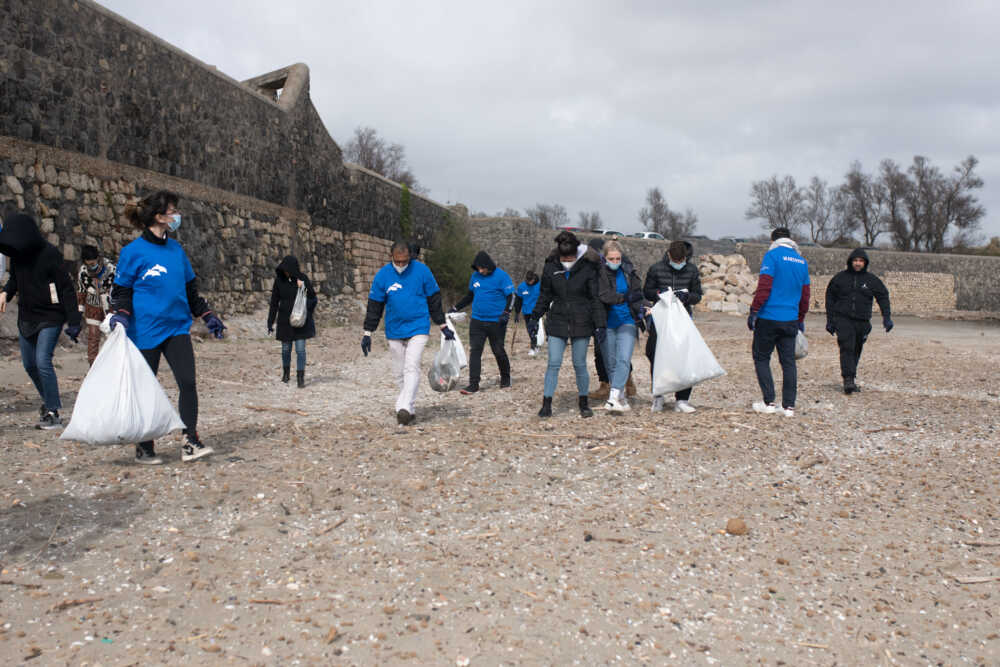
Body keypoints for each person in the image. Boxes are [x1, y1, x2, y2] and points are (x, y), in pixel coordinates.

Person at [110, 190, 226, 464]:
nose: (177, 216)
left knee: (187, 382)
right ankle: (144, 444)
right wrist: (122, 315)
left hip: (176, 328)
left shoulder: (176, 250)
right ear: (160, 217)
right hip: (145, 331)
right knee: (146, 388)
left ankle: (190, 441)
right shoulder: (132, 252)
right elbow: (121, 291)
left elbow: (190, 291)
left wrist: (208, 316)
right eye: (173, 211)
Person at [0, 213, 82, 429]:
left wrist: (74, 321)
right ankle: (49, 402)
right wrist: (5, 294)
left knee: (43, 360)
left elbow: (66, 288)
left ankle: (54, 412)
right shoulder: (17, 255)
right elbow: (14, 281)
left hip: (51, 316)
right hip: (26, 317)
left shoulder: (49, 254)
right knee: (29, 365)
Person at [363, 241, 453, 425]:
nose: (402, 265)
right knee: (399, 371)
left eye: (405, 261)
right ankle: (409, 409)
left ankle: (403, 406)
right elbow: (375, 306)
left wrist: (442, 325)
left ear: (410, 258)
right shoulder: (383, 275)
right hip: (394, 328)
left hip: (418, 326)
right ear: (391, 257)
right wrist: (368, 332)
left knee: (412, 365)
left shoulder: (422, 271)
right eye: (398, 262)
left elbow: (434, 299)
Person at [530, 230, 606, 418]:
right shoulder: (550, 267)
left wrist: (600, 324)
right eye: (565, 258)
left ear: (576, 253)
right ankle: (546, 403)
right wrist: (534, 316)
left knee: (579, 363)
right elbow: (545, 295)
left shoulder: (588, 267)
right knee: (553, 363)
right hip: (557, 320)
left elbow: (595, 298)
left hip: (582, 320)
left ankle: (584, 403)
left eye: (571, 258)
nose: (567, 261)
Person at [747, 227, 811, 416]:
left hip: (769, 316)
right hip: (790, 318)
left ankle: (769, 403)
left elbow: (765, 286)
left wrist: (754, 310)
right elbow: (805, 294)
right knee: (788, 362)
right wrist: (800, 318)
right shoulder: (801, 261)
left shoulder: (772, 256)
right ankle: (789, 407)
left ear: (773, 240)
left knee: (761, 358)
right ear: (790, 239)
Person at [643, 240, 703, 413]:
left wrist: (687, 297)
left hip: (683, 317)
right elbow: (646, 291)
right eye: (675, 261)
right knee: (654, 353)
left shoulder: (691, 270)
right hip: (661, 316)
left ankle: (682, 399)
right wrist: (658, 294)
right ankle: (659, 395)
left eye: (681, 260)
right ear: (668, 255)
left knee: (684, 357)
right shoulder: (656, 269)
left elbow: (698, 295)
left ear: (685, 257)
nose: (678, 264)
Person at [824, 248, 893, 394]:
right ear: (850, 262)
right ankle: (848, 379)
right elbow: (830, 298)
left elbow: (883, 297)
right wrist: (830, 320)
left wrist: (886, 318)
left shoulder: (872, 280)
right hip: (843, 319)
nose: (857, 263)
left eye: (861, 261)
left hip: (862, 321)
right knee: (846, 347)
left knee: (856, 349)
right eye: (855, 260)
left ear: (865, 263)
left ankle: (851, 378)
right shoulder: (839, 278)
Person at [451, 250, 515, 394]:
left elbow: (511, 296)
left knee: (498, 350)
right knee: (475, 351)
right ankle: (473, 384)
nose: (480, 270)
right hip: (477, 321)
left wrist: (506, 312)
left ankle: (506, 378)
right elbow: (469, 296)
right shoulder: (475, 277)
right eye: (478, 268)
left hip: (496, 322)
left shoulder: (502, 276)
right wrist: (455, 308)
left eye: (482, 268)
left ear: (489, 265)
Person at [597, 240, 645, 413]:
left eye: (618, 258)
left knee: (624, 358)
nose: (615, 262)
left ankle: (612, 397)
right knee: (610, 362)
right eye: (612, 258)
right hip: (606, 322)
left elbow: (638, 294)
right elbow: (603, 295)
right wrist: (624, 298)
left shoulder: (628, 272)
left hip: (627, 321)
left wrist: (644, 307)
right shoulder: (599, 273)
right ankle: (620, 396)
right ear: (605, 257)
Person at [267, 255, 318, 388]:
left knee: (300, 350)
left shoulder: (303, 279)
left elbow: (313, 297)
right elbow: (274, 303)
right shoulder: (279, 281)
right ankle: (286, 373)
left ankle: (300, 377)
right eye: (284, 269)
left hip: (300, 321)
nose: (286, 272)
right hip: (284, 321)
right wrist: (270, 322)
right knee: (285, 349)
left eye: (288, 269)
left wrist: (304, 287)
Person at [76, 244, 116, 366]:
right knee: (93, 338)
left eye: (93, 264)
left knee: (112, 338)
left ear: (98, 259)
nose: (91, 267)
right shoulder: (83, 272)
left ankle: (114, 365)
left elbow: (116, 289)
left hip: (109, 308)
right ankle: (93, 367)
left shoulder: (111, 269)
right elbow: (81, 290)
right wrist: (80, 310)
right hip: (92, 308)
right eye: (89, 264)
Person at [513, 270, 541, 356]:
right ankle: (536, 346)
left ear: (534, 278)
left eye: (531, 280)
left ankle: (533, 348)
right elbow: (518, 300)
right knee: (530, 330)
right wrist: (517, 313)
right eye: (528, 280)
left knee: (533, 329)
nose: (529, 282)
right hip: (526, 311)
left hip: (536, 311)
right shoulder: (522, 287)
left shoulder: (540, 285)